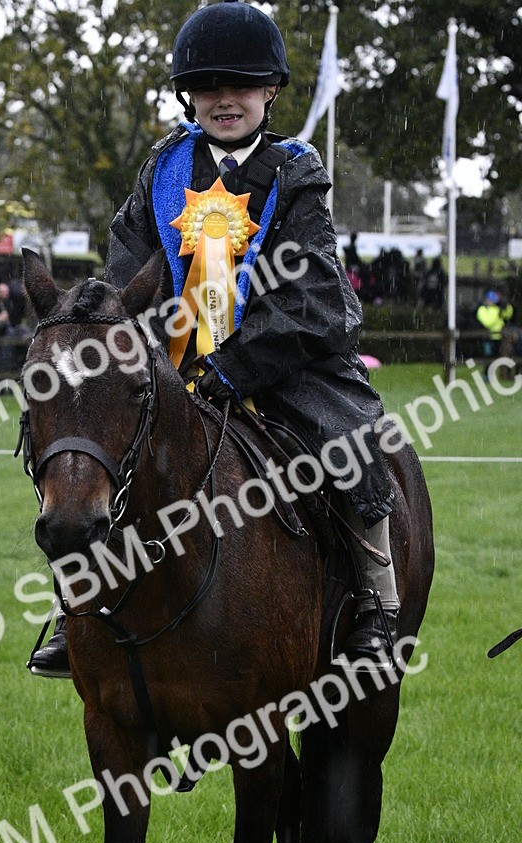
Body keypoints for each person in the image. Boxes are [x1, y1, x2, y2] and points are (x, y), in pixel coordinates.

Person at [29, 0, 401, 679]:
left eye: (241, 86)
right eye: (208, 88)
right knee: (82, 450)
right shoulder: (162, 170)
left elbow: (310, 295)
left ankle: (378, 605)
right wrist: (136, 347)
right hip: (169, 364)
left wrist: (234, 366)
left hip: (285, 363)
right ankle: (77, 606)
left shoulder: (296, 174)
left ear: (270, 91)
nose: (224, 100)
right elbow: (129, 271)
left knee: (352, 438)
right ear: (189, 96)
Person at [476, 290, 514, 363]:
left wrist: (507, 307)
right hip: (488, 337)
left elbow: (508, 315)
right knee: (488, 357)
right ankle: (486, 374)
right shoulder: (482, 309)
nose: (491, 301)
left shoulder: (497, 308)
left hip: (499, 337)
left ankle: (500, 373)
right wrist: (497, 312)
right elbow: (487, 322)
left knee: (501, 357)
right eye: (490, 299)